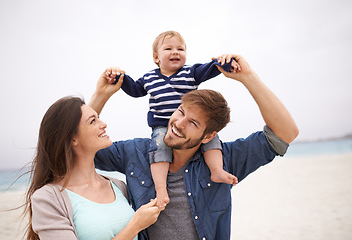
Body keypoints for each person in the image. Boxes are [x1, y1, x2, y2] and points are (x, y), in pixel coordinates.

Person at [90, 54, 299, 240]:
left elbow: (285, 133)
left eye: (193, 123)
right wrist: (101, 95)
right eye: (181, 111)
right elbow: (76, 147)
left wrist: (248, 77)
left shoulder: (225, 160)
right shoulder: (136, 153)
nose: (179, 123)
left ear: (208, 136)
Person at [108, 30, 240, 207]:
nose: (175, 52)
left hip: (190, 125)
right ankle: (161, 189)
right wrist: (119, 77)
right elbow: (135, 90)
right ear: (156, 57)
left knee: (212, 139)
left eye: (181, 49)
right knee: (159, 149)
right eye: (168, 48)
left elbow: (210, 69)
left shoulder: (190, 73)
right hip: (162, 125)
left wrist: (223, 61)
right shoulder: (149, 78)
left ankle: (217, 170)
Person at [24, 92, 162, 240]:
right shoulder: (47, 199)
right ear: (73, 139)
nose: (103, 124)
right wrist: (135, 225)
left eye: (98, 118)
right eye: (92, 121)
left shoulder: (118, 186)